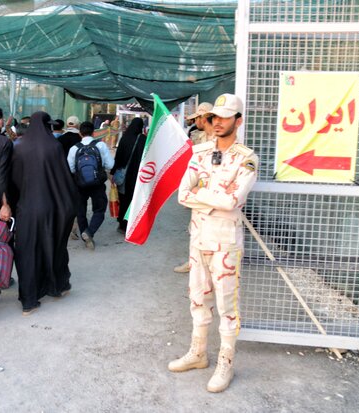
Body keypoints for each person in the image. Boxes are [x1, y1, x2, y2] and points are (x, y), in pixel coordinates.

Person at [168, 94, 258, 393]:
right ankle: (198, 353)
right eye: (214, 117)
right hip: (198, 239)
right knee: (197, 299)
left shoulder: (246, 158)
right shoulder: (200, 152)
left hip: (225, 243)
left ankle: (225, 363)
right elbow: (182, 194)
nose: (217, 122)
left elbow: (234, 200)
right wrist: (215, 197)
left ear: (238, 121)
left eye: (225, 117)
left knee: (226, 307)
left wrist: (202, 194)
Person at [9, 111, 79, 315]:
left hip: (27, 208)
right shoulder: (54, 146)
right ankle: (56, 287)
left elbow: (13, 181)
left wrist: (13, 205)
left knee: (28, 252)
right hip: (53, 207)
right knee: (54, 246)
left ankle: (29, 301)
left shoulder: (19, 147)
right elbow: (64, 178)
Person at [174, 101, 215, 274]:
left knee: (212, 231)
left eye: (197, 117)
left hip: (213, 192)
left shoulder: (220, 140)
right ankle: (194, 262)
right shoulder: (198, 136)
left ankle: (209, 265)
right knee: (195, 229)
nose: (195, 121)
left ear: (203, 118)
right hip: (197, 191)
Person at [67, 121, 114, 250]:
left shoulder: (74, 148)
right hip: (97, 183)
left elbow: (71, 168)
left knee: (80, 210)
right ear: (94, 132)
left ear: (80, 133)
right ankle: (89, 232)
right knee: (99, 209)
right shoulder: (101, 145)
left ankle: (84, 235)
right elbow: (110, 165)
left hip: (80, 184)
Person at [110, 117, 146, 233]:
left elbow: (118, 156)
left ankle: (122, 223)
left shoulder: (124, 138)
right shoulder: (143, 139)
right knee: (134, 200)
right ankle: (131, 224)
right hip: (137, 177)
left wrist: (113, 172)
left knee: (123, 199)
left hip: (124, 176)